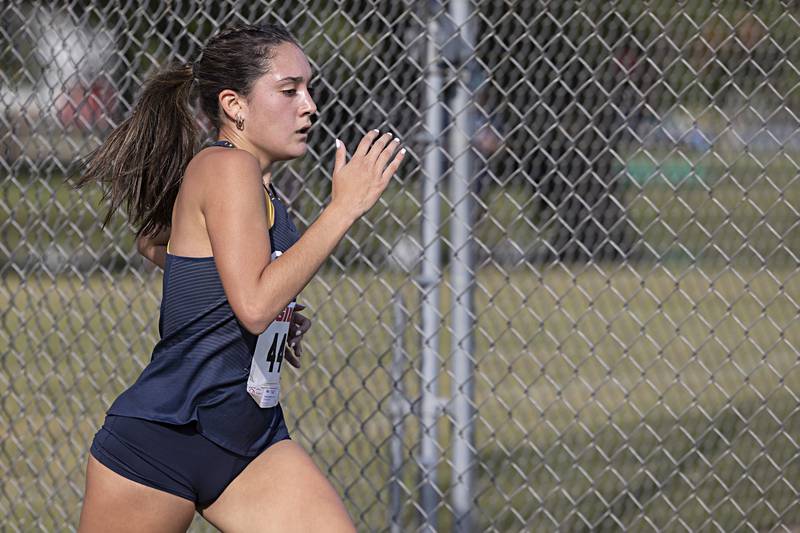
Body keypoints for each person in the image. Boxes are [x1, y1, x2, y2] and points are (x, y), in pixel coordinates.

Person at [73, 23, 406, 532]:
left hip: (252, 442)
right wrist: (344, 207)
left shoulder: (263, 190)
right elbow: (252, 302)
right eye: (289, 90)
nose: (310, 106)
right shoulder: (225, 168)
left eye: (309, 89)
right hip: (165, 440)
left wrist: (273, 308)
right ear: (235, 105)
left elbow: (160, 245)